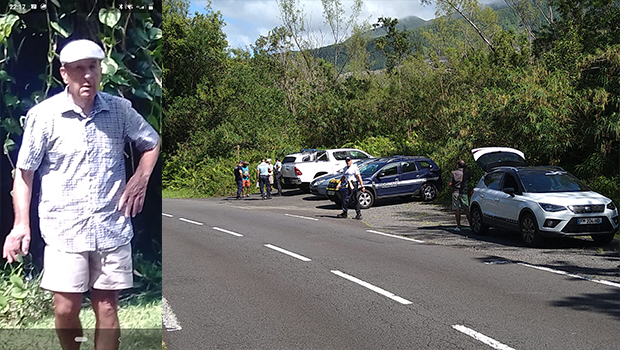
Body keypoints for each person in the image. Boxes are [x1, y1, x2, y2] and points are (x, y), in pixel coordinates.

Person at [1, 39, 160, 350]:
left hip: (110, 226)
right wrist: (21, 224)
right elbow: (24, 174)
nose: (87, 76)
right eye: (78, 69)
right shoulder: (43, 116)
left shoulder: (119, 110)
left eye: (93, 68)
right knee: (65, 309)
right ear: (64, 74)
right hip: (64, 229)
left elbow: (151, 142)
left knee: (107, 307)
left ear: (100, 70)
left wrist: (141, 178)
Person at [448, 160, 472, 232]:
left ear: (457, 165)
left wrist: (452, 185)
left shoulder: (454, 173)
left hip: (456, 192)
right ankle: (471, 225)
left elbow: (450, 183)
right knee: (466, 209)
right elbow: (469, 180)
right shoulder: (467, 173)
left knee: (457, 209)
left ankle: (458, 225)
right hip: (464, 192)